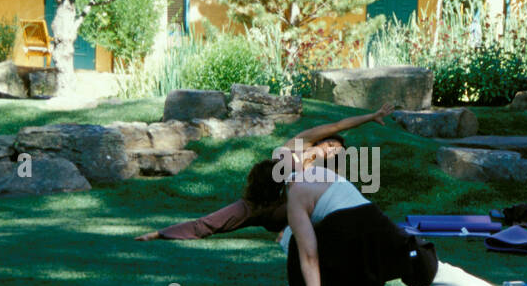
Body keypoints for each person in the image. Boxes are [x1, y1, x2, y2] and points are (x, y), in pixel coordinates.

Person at [243, 158, 525, 286]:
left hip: (361, 226)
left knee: (427, 267)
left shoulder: (294, 198)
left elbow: (310, 255)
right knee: (290, 237)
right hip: (360, 221)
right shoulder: (310, 175)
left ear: (273, 197)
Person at [134, 103, 394, 241]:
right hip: (257, 203)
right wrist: (371, 116)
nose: (331, 150)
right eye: (329, 144)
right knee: (210, 223)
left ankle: (288, 235)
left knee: (316, 203)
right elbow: (338, 124)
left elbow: (336, 203)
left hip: (283, 213)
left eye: (336, 151)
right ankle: (160, 233)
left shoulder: (324, 174)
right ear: (320, 141)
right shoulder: (298, 145)